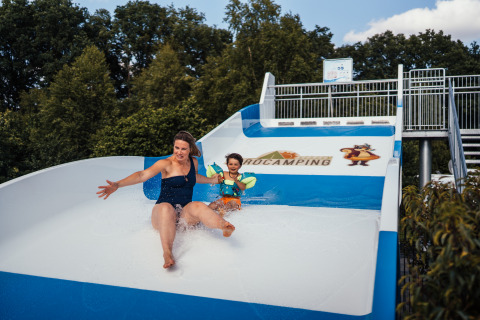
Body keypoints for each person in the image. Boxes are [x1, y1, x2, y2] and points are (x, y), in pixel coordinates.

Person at [96, 131, 235, 269]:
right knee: (166, 208)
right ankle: (167, 254)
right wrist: (117, 184)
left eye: (183, 149)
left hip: (183, 213)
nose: (179, 152)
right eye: (177, 148)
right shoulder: (165, 164)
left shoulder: (193, 162)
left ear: (190, 149)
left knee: (198, 205)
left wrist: (212, 180)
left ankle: (223, 226)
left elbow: (194, 177)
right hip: (162, 213)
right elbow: (141, 175)